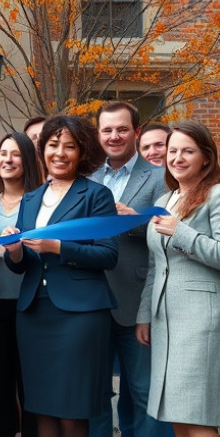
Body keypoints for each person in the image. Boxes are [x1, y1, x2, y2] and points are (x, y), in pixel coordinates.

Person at [3, 115, 119, 437]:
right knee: (42, 409)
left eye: (70, 146)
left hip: (79, 315)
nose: (60, 153)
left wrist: (57, 247)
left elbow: (108, 255)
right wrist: (14, 250)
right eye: (53, 145)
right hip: (33, 313)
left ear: (82, 153)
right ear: (42, 150)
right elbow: (22, 264)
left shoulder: (96, 195)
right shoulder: (31, 198)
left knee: (72, 411)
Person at [88, 102, 170, 437]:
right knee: (94, 395)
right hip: (91, 301)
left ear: (136, 132)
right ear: (98, 134)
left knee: (144, 392)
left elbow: (169, 231)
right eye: (107, 130)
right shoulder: (88, 178)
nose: (114, 136)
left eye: (122, 129)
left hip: (138, 302)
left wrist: (133, 221)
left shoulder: (160, 177)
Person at [137, 121, 220, 437]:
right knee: (176, 415)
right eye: (173, 151)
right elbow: (155, 264)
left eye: (188, 151)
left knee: (197, 416)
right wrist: (145, 314)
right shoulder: (165, 200)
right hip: (165, 320)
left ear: (206, 157)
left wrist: (181, 232)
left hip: (201, 320)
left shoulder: (216, 195)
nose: (177, 158)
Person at [0, 133, 43, 437]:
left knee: (30, 386)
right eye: (3, 154)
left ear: (28, 160)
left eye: (16, 154)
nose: (7, 160)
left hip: (29, 303)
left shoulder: (40, 202)